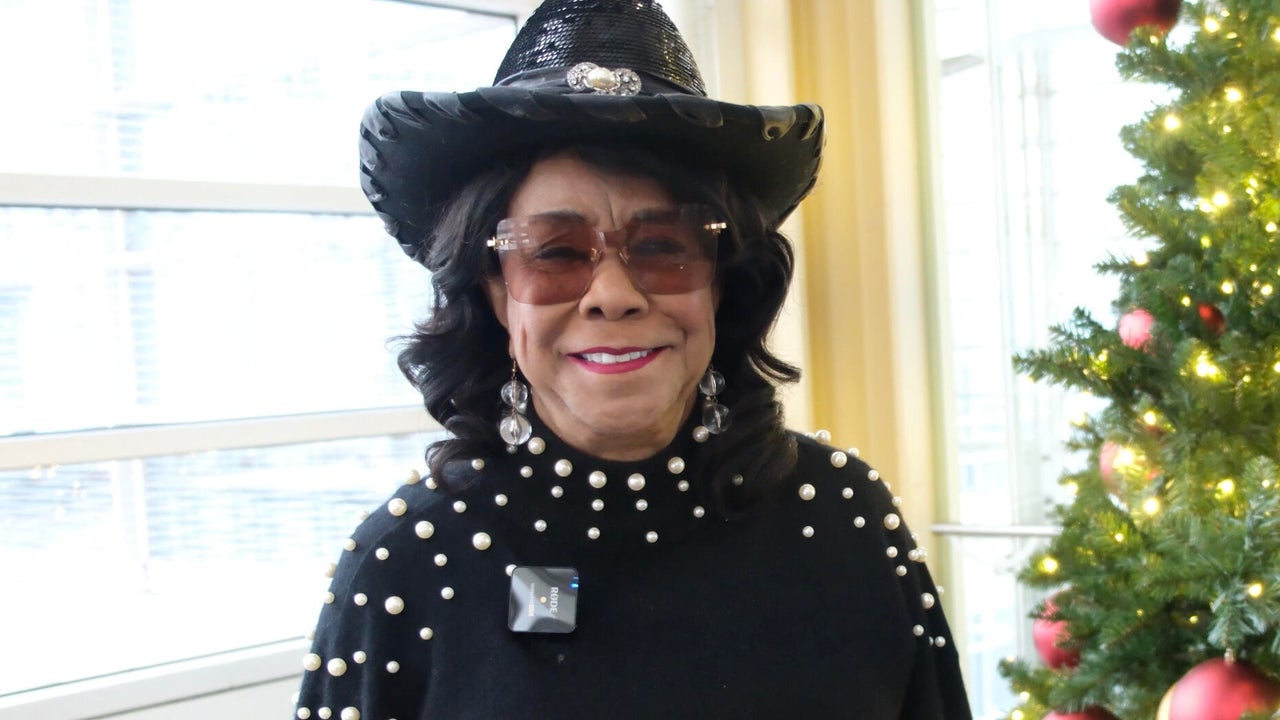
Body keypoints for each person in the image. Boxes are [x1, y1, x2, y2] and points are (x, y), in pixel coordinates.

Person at [294, 0, 972, 718]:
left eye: (662, 247)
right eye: (555, 253)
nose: (612, 296)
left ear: (723, 282)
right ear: (493, 293)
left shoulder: (844, 519)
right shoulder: (405, 568)